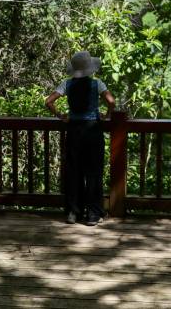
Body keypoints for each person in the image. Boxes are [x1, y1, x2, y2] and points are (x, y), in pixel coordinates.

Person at [45, 51, 115, 226]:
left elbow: (48, 101)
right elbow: (111, 102)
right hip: (93, 130)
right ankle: (93, 214)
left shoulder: (67, 84)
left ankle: (73, 213)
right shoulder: (97, 84)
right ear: (89, 68)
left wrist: (61, 116)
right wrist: (106, 115)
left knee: (74, 171)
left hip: (74, 130)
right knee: (93, 172)